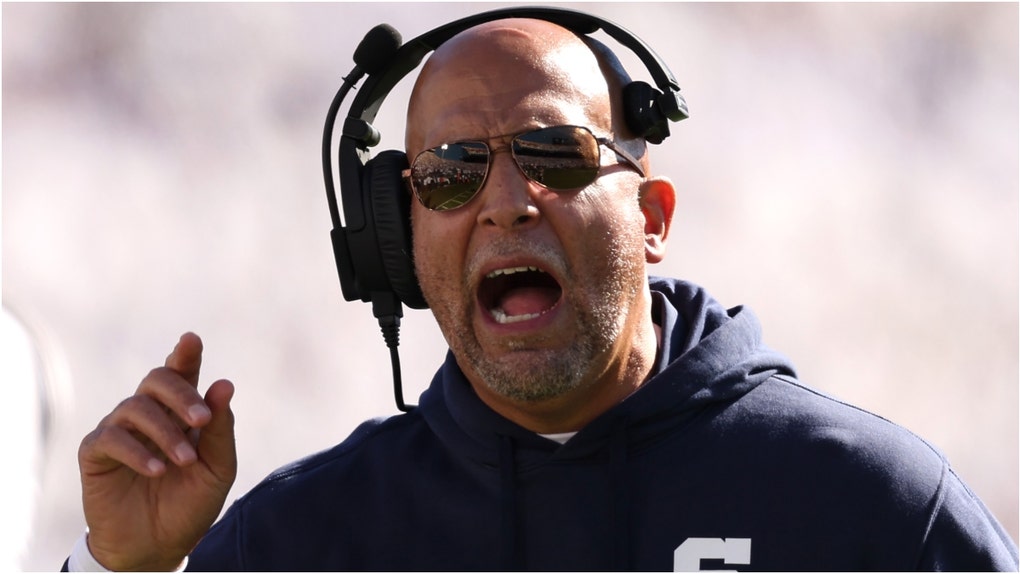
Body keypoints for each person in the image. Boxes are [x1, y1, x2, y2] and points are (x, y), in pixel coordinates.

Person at [69, 13, 1018, 572]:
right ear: (397, 243)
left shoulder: (876, 510)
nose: (506, 203)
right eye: (449, 172)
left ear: (650, 217)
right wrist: (123, 573)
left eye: (552, 156)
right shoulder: (303, 542)